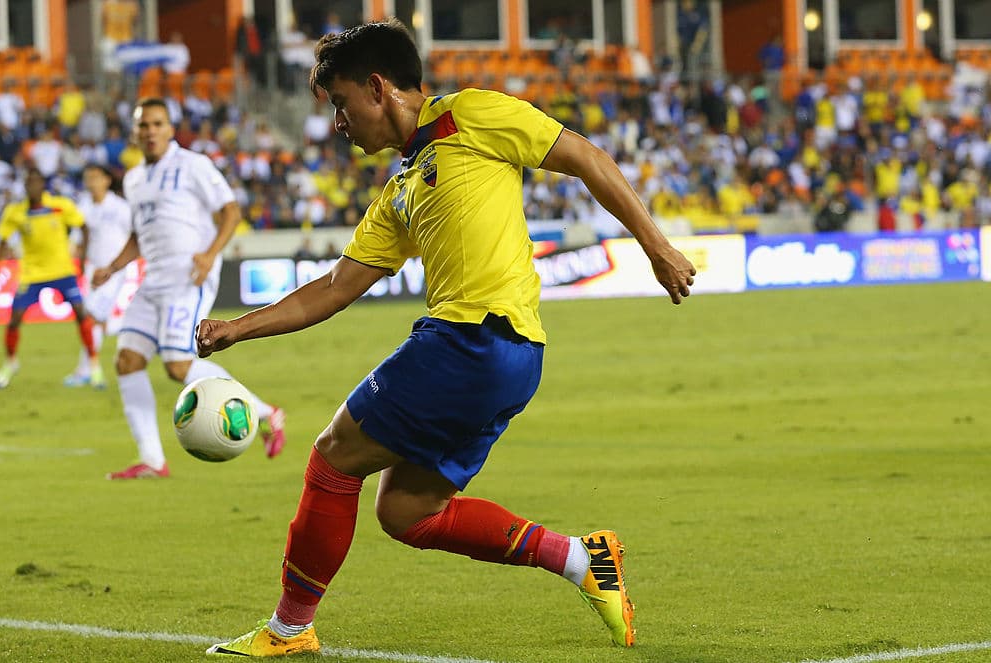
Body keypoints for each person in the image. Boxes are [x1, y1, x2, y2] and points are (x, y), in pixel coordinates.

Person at [197, 20, 695, 657]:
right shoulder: (401, 189)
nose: (339, 123)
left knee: (331, 458)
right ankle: (580, 559)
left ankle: (289, 630)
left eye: (343, 104)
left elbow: (585, 158)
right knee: (406, 512)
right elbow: (333, 287)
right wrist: (239, 328)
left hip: (473, 338)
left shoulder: (473, 115)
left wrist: (656, 247)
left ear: (379, 88)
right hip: (510, 359)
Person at [91, 97, 287, 480]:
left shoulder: (193, 165)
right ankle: (151, 460)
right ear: (134, 132)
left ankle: (265, 413)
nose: (150, 131)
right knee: (127, 361)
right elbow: (139, 234)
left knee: (177, 365)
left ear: (170, 129)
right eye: (143, 125)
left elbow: (231, 212)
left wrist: (210, 254)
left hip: (188, 275)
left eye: (157, 124)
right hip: (154, 280)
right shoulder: (133, 179)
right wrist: (113, 268)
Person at [0, 168, 100, 389]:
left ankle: (94, 364)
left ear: (43, 185)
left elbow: (84, 227)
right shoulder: (16, 211)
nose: (33, 187)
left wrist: (82, 260)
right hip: (32, 273)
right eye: (29, 183)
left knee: (81, 314)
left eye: (37, 182)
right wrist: (0, 263)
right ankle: (10, 363)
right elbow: (2, 237)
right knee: (15, 318)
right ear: (25, 187)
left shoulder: (60, 206)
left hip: (62, 270)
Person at [63, 164, 133, 389]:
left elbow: (135, 236)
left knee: (90, 317)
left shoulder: (121, 207)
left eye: (95, 177)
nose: (91, 181)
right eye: (87, 178)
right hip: (92, 271)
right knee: (93, 321)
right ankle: (89, 368)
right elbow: (77, 239)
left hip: (113, 271)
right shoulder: (83, 207)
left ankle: (89, 371)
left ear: (106, 180)